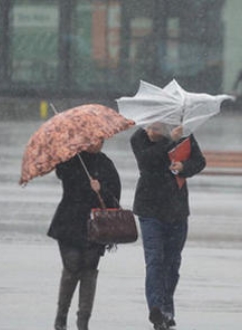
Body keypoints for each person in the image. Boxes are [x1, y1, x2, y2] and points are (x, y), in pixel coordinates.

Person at [130, 122, 206, 330]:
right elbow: (147, 161)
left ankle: (166, 309)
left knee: (172, 264)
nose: (150, 131)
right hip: (149, 210)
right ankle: (156, 308)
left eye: (156, 128)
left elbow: (199, 161)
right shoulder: (138, 138)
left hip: (177, 209)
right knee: (155, 260)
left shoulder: (184, 135)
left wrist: (184, 167)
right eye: (149, 127)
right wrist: (170, 142)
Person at [48, 140, 122, 330]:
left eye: (101, 140)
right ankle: (61, 315)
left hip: (96, 225)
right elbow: (61, 173)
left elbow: (115, 196)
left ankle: (83, 321)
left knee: (89, 270)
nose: (97, 143)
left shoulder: (105, 164)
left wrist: (101, 189)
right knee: (72, 266)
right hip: (69, 222)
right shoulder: (71, 159)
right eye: (93, 139)